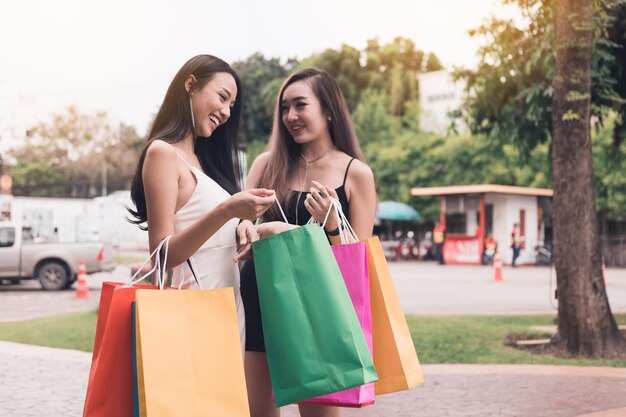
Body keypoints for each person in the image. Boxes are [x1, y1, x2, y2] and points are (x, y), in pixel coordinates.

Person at [234, 68, 377, 417]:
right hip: (261, 300)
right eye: (284, 108)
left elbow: (358, 259)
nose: (290, 117)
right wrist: (246, 228)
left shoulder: (355, 173)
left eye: (300, 105)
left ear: (328, 109)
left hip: (318, 309)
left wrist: (328, 226)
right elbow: (241, 221)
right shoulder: (266, 165)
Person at [127, 55, 276, 346]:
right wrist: (227, 209)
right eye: (222, 98)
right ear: (191, 84)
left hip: (228, 310)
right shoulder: (163, 153)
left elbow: (210, 233)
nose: (226, 112)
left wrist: (242, 226)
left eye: (231, 106)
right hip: (193, 310)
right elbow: (162, 256)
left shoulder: (206, 163)